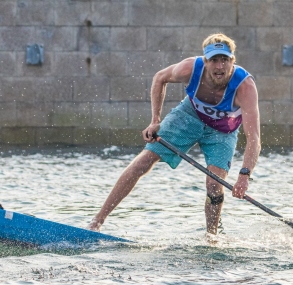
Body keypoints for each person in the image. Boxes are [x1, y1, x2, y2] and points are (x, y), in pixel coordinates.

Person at [87, 33, 261, 234]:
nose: (219, 67)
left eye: (225, 60)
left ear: (233, 61)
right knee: (143, 162)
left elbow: (254, 138)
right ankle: (96, 222)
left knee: (214, 185)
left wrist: (244, 175)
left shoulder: (245, 87)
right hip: (188, 116)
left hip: (222, 130)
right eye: (214, 60)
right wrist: (154, 121)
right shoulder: (189, 68)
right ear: (205, 61)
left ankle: (212, 237)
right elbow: (159, 78)